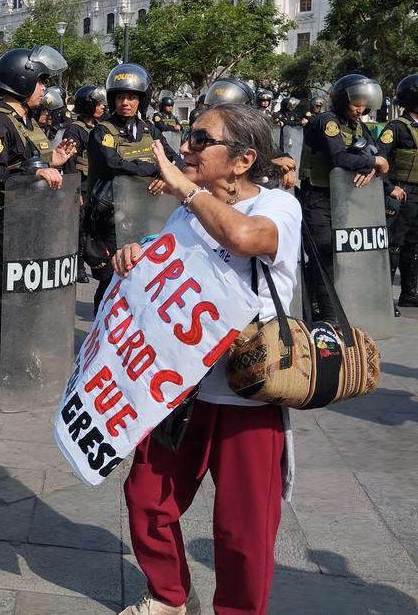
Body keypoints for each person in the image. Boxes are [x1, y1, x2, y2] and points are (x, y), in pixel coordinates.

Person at [112, 101, 301, 615]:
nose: (188, 146)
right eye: (189, 136)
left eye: (201, 138)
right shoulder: (185, 211)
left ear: (242, 160)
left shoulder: (278, 207)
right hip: (182, 386)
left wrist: (188, 190)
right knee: (147, 499)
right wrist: (134, 255)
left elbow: (243, 239)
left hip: (249, 390)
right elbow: (163, 264)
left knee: (243, 529)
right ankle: (169, 597)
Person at [0, 46, 75, 383]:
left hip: (28, 221)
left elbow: (25, 165)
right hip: (4, 223)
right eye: (41, 82)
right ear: (23, 81)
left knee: (28, 293)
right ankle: (1, 362)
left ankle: (22, 350)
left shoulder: (24, 122)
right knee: (4, 295)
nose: (44, 90)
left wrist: (52, 163)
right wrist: (35, 174)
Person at [84, 63, 182, 314]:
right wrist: (156, 170)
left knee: (145, 278)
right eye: (120, 96)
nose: (125, 102)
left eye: (131, 97)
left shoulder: (150, 129)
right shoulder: (103, 131)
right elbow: (111, 164)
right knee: (110, 282)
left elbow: (174, 160)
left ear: (142, 99)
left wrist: (167, 173)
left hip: (149, 217)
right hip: (112, 219)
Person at [300, 73, 389, 320]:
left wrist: (371, 165)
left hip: (342, 199)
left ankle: (315, 308)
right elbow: (339, 158)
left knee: (338, 257)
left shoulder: (357, 125)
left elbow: (378, 154)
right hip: (317, 199)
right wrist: (374, 162)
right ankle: (328, 317)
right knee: (324, 257)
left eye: (364, 105)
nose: (360, 109)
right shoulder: (326, 122)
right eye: (355, 104)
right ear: (341, 100)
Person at [377, 73, 418, 310]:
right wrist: (390, 188)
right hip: (402, 193)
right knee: (394, 244)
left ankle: (410, 293)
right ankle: (384, 299)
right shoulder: (396, 128)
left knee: (414, 244)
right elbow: (379, 159)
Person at [63, 84, 107, 284]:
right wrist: (75, 191)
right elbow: (70, 161)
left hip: (97, 184)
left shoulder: (99, 126)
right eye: (98, 104)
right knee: (80, 228)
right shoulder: (75, 129)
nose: (103, 107)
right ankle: (79, 267)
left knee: (94, 226)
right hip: (82, 184)